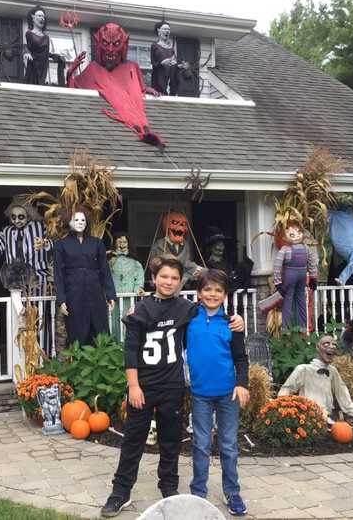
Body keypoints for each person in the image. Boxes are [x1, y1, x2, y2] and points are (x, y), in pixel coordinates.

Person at [101, 256, 244, 517]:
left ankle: (168, 487)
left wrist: (236, 321)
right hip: (143, 386)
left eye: (175, 278)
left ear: (181, 282)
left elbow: (211, 315)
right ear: (154, 278)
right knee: (133, 440)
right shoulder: (140, 310)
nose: (169, 282)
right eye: (164, 276)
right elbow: (130, 351)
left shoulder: (186, 309)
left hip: (172, 385)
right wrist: (133, 385)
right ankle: (120, 492)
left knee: (170, 442)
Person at [187, 269, 249, 516]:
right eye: (207, 289)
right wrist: (135, 313)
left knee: (228, 445)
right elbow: (162, 314)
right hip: (200, 392)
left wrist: (242, 383)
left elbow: (241, 359)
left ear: (225, 294)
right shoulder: (189, 317)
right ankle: (198, 493)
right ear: (199, 293)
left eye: (218, 290)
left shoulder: (232, 323)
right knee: (201, 443)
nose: (212, 294)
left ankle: (232, 492)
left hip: (227, 394)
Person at [54, 206, 116, 346]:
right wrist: (61, 299)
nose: (80, 222)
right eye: (76, 219)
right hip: (74, 295)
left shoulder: (97, 243)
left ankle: (102, 365)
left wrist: (111, 295)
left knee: (100, 332)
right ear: (69, 222)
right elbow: (58, 274)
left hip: (96, 294)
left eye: (83, 219)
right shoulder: (61, 245)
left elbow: (105, 270)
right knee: (77, 334)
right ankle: (79, 366)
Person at [278, 335, 353, 423]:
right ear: (318, 348)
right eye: (326, 344)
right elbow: (284, 394)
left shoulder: (333, 371)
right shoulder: (303, 369)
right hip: (307, 420)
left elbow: (346, 402)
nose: (332, 346)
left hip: (329, 420)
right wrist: (291, 416)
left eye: (334, 345)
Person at [24, 5, 51, 85]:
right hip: (33, 67)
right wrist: (26, 52)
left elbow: (46, 54)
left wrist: (56, 57)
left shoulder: (46, 37)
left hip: (43, 69)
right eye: (39, 16)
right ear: (33, 17)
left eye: (43, 17)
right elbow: (26, 46)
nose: (42, 18)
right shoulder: (29, 33)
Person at [150, 20, 176, 95]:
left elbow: (173, 62)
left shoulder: (171, 48)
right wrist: (162, 63)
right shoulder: (155, 46)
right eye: (165, 29)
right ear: (159, 30)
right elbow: (153, 63)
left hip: (170, 77)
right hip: (158, 78)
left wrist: (175, 64)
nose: (167, 31)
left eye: (168, 29)